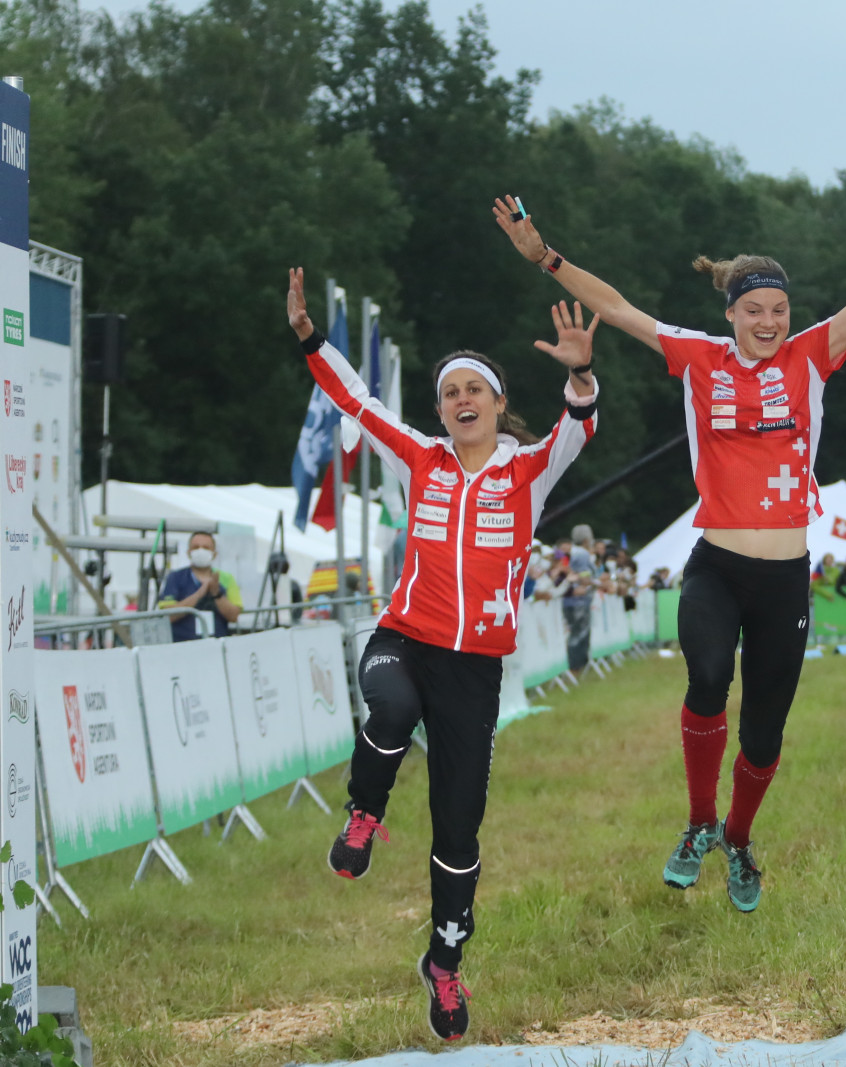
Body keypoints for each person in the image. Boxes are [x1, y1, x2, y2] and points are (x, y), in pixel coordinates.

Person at [494, 175, 846, 913]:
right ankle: (700, 822)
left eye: (779, 310)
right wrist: (546, 257)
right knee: (707, 678)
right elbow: (617, 308)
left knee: (764, 734)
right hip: (716, 565)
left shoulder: (813, 353)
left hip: (785, 577)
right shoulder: (698, 356)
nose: (769, 322)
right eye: (754, 310)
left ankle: (737, 838)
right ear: (730, 312)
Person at [286, 269, 599, 1042]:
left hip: (474, 670)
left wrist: (581, 373)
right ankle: (364, 812)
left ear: (497, 403)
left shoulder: (528, 471)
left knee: (458, 831)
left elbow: (579, 425)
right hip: (403, 639)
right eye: (451, 391)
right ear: (440, 409)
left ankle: (444, 961)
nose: (463, 399)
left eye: (475, 390)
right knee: (391, 709)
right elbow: (356, 400)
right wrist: (311, 338)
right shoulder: (419, 457)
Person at [157, 530, 242, 640]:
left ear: (214, 554)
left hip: (216, 643)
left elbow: (234, 616)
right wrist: (199, 594)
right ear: (188, 552)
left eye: (206, 548)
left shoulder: (226, 578)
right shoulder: (175, 577)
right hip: (182, 644)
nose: (200, 551)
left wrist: (216, 594)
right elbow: (168, 615)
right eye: (196, 547)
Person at [563, 524, 599, 673]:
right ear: (586, 539)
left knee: (576, 632)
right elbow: (584, 576)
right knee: (579, 633)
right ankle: (576, 666)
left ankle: (578, 666)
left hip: (572, 599)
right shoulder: (582, 553)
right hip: (579, 600)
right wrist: (597, 583)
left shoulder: (574, 552)